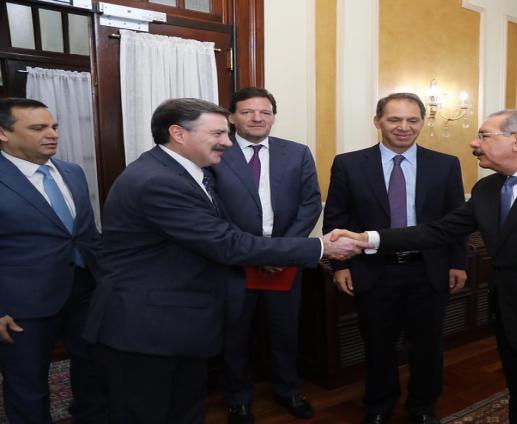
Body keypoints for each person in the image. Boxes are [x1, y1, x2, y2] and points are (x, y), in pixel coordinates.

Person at [81, 98, 368, 424]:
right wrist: (319, 248)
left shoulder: (181, 173)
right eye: (217, 133)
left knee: (184, 410)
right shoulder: (158, 181)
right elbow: (226, 243)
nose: (228, 142)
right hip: (148, 329)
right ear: (178, 133)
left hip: (175, 322)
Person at [330, 110, 517, 424]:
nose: (473, 143)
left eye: (484, 136)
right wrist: (367, 239)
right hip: (512, 323)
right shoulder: (488, 189)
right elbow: (437, 231)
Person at [322, 93, 467, 424]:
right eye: (394, 119)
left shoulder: (445, 164)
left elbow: (456, 220)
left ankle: (423, 407)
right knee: (377, 344)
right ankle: (378, 406)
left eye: (413, 120)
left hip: (428, 270)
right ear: (377, 122)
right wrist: (340, 265)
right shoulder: (348, 164)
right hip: (373, 271)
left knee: (428, 346)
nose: (404, 127)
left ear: (422, 122)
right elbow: (336, 219)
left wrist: (458, 262)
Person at [211, 87, 321, 423]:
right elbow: (211, 210)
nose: (257, 118)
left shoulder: (297, 153)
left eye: (265, 112)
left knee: (284, 331)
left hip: (283, 261)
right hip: (235, 262)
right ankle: (238, 398)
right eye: (247, 112)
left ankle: (288, 390)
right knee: (235, 335)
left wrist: (282, 251)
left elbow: (310, 203)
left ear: (273, 117)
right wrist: (252, 252)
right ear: (232, 118)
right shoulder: (215, 152)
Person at [0, 98, 105, 424]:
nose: (52, 134)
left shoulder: (73, 172)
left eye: (54, 126)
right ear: (3, 133)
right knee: (27, 383)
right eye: (38, 128)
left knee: (93, 370)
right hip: (22, 304)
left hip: (85, 291)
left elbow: (87, 234)